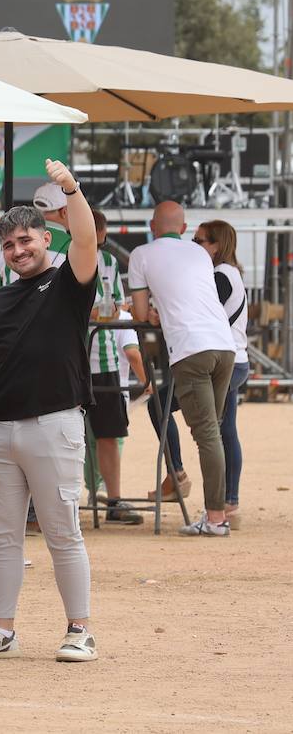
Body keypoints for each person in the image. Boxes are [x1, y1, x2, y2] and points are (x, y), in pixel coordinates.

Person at [0, 159, 100, 664]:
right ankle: (0, 629)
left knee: (62, 533)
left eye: (26, 240)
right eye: (8, 245)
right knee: (3, 539)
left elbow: (86, 238)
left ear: (46, 238)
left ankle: (80, 630)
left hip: (54, 424)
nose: (18, 250)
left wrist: (70, 188)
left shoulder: (70, 282)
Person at [128, 202, 238, 537]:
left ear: (152, 226)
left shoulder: (141, 254)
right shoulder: (200, 254)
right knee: (213, 432)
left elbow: (140, 313)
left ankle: (216, 518)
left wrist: (152, 314)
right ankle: (220, 510)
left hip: (191, 348)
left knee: (207, 435)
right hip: (225, 345)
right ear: (184, 228)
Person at [83, 211, 141, 526]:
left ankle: (113, 500)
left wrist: (103, 311)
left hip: (103, 359)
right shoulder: (61, 256)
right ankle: (61, 503)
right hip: (70, 358)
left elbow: (117, 305)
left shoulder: (108, 262)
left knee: (108, 435)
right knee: (68, 435)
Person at [194, 220, 249, 529]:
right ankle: (230, 501)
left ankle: (179, 476)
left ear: (215, 246)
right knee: (226, 430)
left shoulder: (220, 276)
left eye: (199, 240)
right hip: (236, 359)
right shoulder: (231, 273)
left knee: (215, 432)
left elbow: (202, 313)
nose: (194, 245)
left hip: (225, 361)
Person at [0, 183, 72, 289]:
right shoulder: (74, 247)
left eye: (25, 241)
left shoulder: (7, 243)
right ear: (64, 212)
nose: (18, 251)